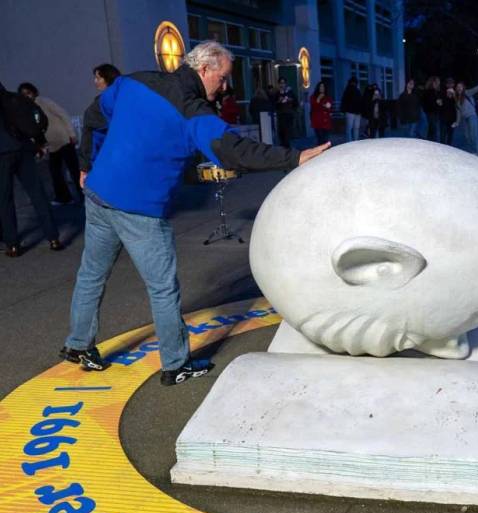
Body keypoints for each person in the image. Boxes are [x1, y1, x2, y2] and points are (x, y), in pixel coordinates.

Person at [60, 41, 330, 384]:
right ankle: (176, 365)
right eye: (223, 77)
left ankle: (78, 344)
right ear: (204, 70)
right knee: (162, 288)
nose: (226, 85)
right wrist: (294, 158)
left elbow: (94, 117)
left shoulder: (134, 82)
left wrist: (86, 164)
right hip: (139, 210)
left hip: (99, 195)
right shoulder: (194, 113)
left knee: (91, 274)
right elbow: (235, 152)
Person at [0, 81, 63, 257]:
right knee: (37, 194)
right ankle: (53, 238)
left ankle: (12, 244)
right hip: (24, 150)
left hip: (2, 154)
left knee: (5, 200)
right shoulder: (17, 99)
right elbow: (37, 120)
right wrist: (40, 142)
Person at [18, 82, 80, 206]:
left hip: (63, 139)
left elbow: (62, 113)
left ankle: (85, 197)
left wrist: (71, 133)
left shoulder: (44, 101)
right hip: (51, 145)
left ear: (34, 92)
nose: (27, 96)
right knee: (55, 172)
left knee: (74, 170)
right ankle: (64, 197)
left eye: (28, 93)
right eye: (23, 94)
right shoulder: (27, 109)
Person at [79, 64, 121, 193]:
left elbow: (90, 137)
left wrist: (84, 168)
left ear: (108, 78)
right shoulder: (126, 97)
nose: (95, 81)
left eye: (98, 78)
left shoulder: (99, 106)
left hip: (106, 160)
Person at [455, 80, 478, 155]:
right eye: (458, 87)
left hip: (472, 116)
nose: (459, 88)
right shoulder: (457, 98)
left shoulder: (467, 93)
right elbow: (458, 111)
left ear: (463, 87)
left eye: (460, 86)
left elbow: (475, 89)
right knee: (467, 136)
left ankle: (476, 151)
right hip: (465, 119)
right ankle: (472, 150)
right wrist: (457, 122)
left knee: (473, 134)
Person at [275, 77, 298, 148]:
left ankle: (287, 147)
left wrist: (290, 100)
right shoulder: (277, 93)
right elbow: (274, 104)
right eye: (281, 83)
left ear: (286, 84)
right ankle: (284, 146)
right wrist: (279, 101)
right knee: (282, 132)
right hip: (281, 114)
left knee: (287, 132)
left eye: (283, 83)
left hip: (288, 115)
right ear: (278, 84)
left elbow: (296, 102)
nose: (282, 85)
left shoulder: (290, 92)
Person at [309, 80, 333, 145]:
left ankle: (326, 152)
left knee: (326, 139)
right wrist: (318, 99)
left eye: (323, 87)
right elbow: (313, 107)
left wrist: (328, 107)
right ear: (318, 88)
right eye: (320, 87)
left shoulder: (328, 97)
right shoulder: (313, 97)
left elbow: (330, 108)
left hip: (326, 122)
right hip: (318, 122)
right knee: (320, 139)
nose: (322, 88)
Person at [340, 77, 362, 142]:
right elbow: (360, 101)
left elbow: (344, 101)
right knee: (356, 128)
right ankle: (355, 141)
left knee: (349, 128)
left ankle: (350, 142)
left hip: (350, 111)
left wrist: (343, 110)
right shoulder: (357, 91)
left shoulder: (347, 90)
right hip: (357, 112)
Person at [422, 77, 442, 142]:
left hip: (435, 112)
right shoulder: (428, 92)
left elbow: (438, 102)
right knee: (433, 129)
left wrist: (439, 103)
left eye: (438, 82)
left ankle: (430, 142)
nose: (438, 84)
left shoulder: (437, 91)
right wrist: (436, 102)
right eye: (437, 82)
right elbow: (426, 102)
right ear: (432, 83)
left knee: (432, 129)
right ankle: (432, 143)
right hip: (430, 112)